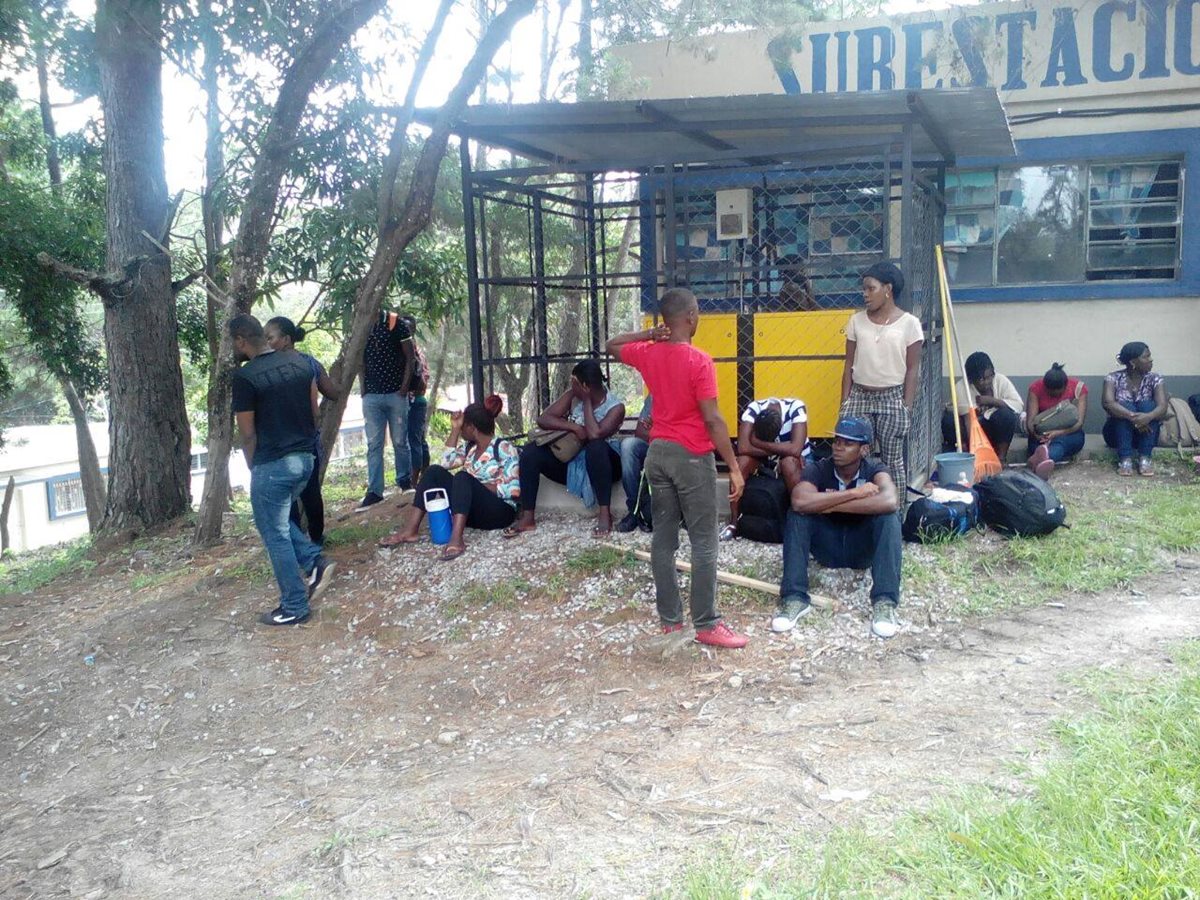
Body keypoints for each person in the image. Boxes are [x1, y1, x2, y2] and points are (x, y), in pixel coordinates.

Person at [606, 287, 749, 650]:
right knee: (704, 542)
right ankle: (706, 623)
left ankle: (671, 622)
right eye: (697, 313)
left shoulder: (649, 353)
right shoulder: (699, 361)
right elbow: (713, 419)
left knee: (663, 541)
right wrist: (733, 466)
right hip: (690, 457)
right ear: (690, 317)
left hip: (658, 455)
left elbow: (611, 344)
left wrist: (646, 335)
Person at [229, 314, 335, 626]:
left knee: (273, 531)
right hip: (304, 459)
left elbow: (247, 433)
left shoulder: (246, 378)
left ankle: (294, 605)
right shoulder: (301, 363)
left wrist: (253, 467)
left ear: (241, 340)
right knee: (275, 522)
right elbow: (313, 411)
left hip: (273, 463)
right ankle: (315, 560)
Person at [774, 416, 902, 639]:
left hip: (861, 549)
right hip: (828, 547)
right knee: (798, 515)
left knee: (889, 517)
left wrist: (829, 504)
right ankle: (794, 598)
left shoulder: (875, 469)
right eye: (837, 442)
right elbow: (800, 501)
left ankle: (884, 602)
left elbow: (890, 501)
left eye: (848, 443)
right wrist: (854, 493)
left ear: (864, 450)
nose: (839, 448)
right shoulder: (820, 468)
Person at [379, 394, 519, 560]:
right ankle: (410, 530)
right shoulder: (470, 449)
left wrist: (474, 488)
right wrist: (454, 429)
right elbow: (445, 462)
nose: (460, 431)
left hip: (498, 513)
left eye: (462, 427)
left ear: (472, 428)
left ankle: (456, 539)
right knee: (433, 471)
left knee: (462, 477)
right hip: (471, 512)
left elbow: (513, 490)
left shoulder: (503, 448)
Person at [508, 360, 626, 537]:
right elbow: (543, 419)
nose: (572, 386)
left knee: (596, 447)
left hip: (605, 466)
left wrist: (586, 401)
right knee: (531, 452)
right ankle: (528, 516)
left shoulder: (616, 407)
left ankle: (604, 514)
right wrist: (573, 427)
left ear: (584, 386)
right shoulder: (572, 396)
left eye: (574, 383)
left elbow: (594, 434)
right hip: (571, 461)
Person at [839, 261, 923, 493]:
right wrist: (845, 402)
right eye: (864, 289)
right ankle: (853, 509)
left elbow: (913, 368)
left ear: (888, 289)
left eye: (870, 288)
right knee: (852, 457)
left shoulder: (910, 324)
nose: (865, 294)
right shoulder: (856, 321)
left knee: (892, 462)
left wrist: (906, 406)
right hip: (859, 397)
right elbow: (848, 365)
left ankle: (895, 516)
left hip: (892, 398)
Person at [264, 316, 338, 545]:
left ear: (286, 339)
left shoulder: (265, 368)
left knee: (287, 496)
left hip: (280, 441)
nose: (267, 343)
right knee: (310, 491)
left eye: (271, 337)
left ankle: (298, 542)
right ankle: (317, 538)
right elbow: (333, 393)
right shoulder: (310, 363)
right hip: (307, 438)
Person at [720, 397, 809, 541]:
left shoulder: (795, 408)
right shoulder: (754, 409)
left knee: (789, 463)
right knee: (742, 463)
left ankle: (799, 523)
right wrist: (782, 449)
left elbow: (796, 449)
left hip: (795, 461)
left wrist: (756, 442)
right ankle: (734, 523)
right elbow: (743, 447)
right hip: (765, 459)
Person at [357, 311, 415, 511]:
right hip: (372, 396)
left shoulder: (393, 321)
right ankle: (375, 491)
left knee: (400, 440)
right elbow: (359, 359)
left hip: (395, 394)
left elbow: (410, 356)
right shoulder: (360, 324)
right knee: (374, 444)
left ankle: (405, 482)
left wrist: (404, 387)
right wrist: (363, 388)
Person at [941, 351, 1024, 464]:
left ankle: (1001, 458)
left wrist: (992, 401)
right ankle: (966, 455)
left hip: (994, 430)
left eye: (989, 377)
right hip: (970, 430)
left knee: (1006, 415)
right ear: (971, 379)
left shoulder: (1000, 380)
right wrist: (976, 454)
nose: (986, 382)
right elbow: (968, 422)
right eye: (981, 379)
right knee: (949, 421)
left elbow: (1018, 405)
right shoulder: (961, 387)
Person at [1101, 341, 1167, 476]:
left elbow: (1162, 406)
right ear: (1133, 362)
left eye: (1150, 356)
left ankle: (1145, 458)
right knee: (1123, 406)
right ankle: (1125, 459)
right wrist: (1133, 417)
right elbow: (1108, 403)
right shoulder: (1113, 378)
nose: (1151, 360)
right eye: (1146, 357)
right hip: (1116, 436)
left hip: (1145, 434)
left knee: (1148, 406)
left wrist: (1147, 417)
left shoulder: (1155, 379)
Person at [1025, 362, 1088, 474]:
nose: (1054, 395)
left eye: (1058, 392)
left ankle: (1041, 461)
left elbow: (1079, 423)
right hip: (1041, 435)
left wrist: (1057, 433)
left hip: (1070, 433)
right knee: (1041, 447)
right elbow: (1030, 422)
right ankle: (1044, 462)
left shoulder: (1078, 388)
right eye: (1050, 393)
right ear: (1045, 386)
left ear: (1066, 385)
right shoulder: (1035, 388)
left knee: (1059, 445)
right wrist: (1037, 435)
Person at [616, 396, 654, 533]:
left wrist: (657, 426)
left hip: (675, 448)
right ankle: (634, 510)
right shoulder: (655, 394)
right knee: (628, 446)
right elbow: (640, 432)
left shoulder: (684, 391)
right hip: (653, 445)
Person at [402, 314, 431, 484]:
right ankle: (424, 472)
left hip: (414, 400)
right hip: (416, 399)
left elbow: (422, 377)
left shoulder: (411, 350)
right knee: (418, 438)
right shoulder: (416, 349)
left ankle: (414, 480)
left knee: (413, 439)